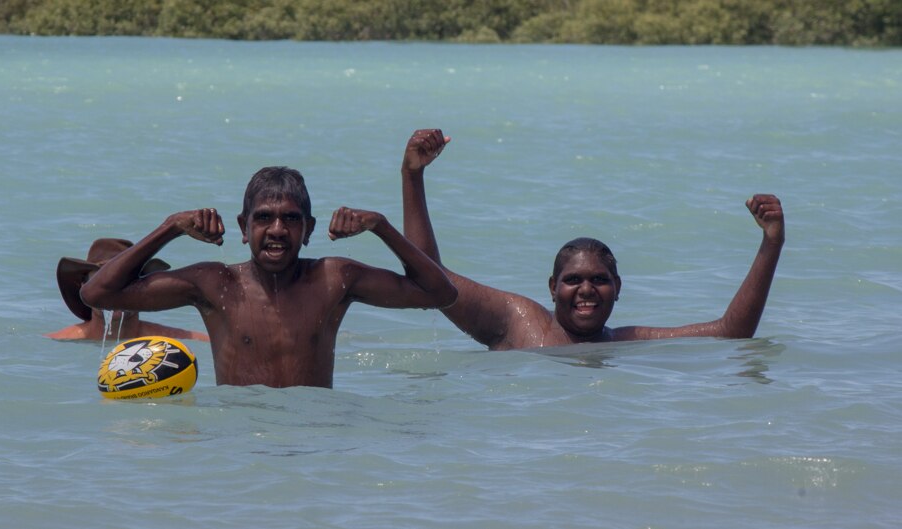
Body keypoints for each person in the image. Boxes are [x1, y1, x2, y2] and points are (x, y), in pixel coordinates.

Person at [400, 129, 785, 350]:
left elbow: (731, 333)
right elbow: (430, 277)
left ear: (618, 288)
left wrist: (771, 243)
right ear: (552, 288)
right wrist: (413, 174)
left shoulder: (627, 343)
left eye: (600, 279)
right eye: (573, 280)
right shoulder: (515, 322)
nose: (587, 289)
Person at [80, 166, 457, 388]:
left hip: (315, 437)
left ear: (308, 230)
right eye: (264, 218)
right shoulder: (216, 284)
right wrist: (170, 227)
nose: (277, 229)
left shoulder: (333, 279)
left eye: (291, 219)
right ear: (244, 227)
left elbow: (439, 292)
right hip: (240, 442)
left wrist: (381, 226)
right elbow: (97, 293)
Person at [45, 238, 210, 342]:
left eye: (125, 282)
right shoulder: (59, 341)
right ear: (84, 286)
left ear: (143, 288)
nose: (113, 292)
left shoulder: (181, 341)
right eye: (103, 282)